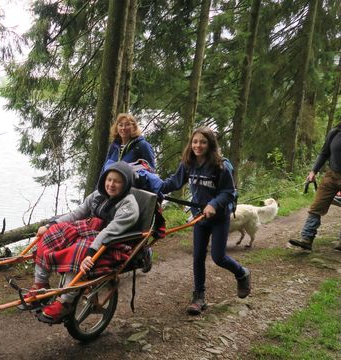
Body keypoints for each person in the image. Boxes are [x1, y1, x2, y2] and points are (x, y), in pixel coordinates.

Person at [25, 162, 140, 323]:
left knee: (78, 253)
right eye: (109, 179)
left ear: (126, 184)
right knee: (50, 236)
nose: (111, 184)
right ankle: (40, 285)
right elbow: (77, 213)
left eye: (117, 181)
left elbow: (110, 232)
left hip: (111, 241)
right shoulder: (97, 195)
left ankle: (65, 302)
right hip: (89, 230)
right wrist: (51, 225)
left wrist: (91, 254)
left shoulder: (129, 205)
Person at [159, 127, 250, 316]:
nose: (198, 146)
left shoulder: (221, 166)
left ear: (210, 144)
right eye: (194, 142)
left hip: (219, 218)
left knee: (218, 257)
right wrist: (153, 187)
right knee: (198, 257)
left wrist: (214, 204)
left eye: (202, 142)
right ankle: (199, 297)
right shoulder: (188, 164)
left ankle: (242, 273)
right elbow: (174, 183)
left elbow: (229, 192)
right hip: (199, 218)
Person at [289, 124, 341, 251]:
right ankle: (306, 239)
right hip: (331, 176)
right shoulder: (335, 133)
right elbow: (324, 153)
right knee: (316, 207)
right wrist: (313, 171)